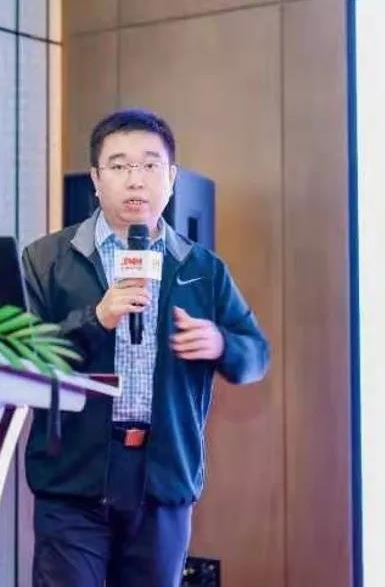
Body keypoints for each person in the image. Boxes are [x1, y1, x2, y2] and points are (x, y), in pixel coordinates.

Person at [21, 108, 270, 587]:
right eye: (119, 166)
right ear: (96, 180)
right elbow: (23, 354)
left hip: (163, 477)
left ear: (171, 178)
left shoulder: (202, 269)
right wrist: (96, 319)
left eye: (150, 165)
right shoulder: (47, 259)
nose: (136, 180)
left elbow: (255, 354)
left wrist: (220, 343)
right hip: (72, 476)